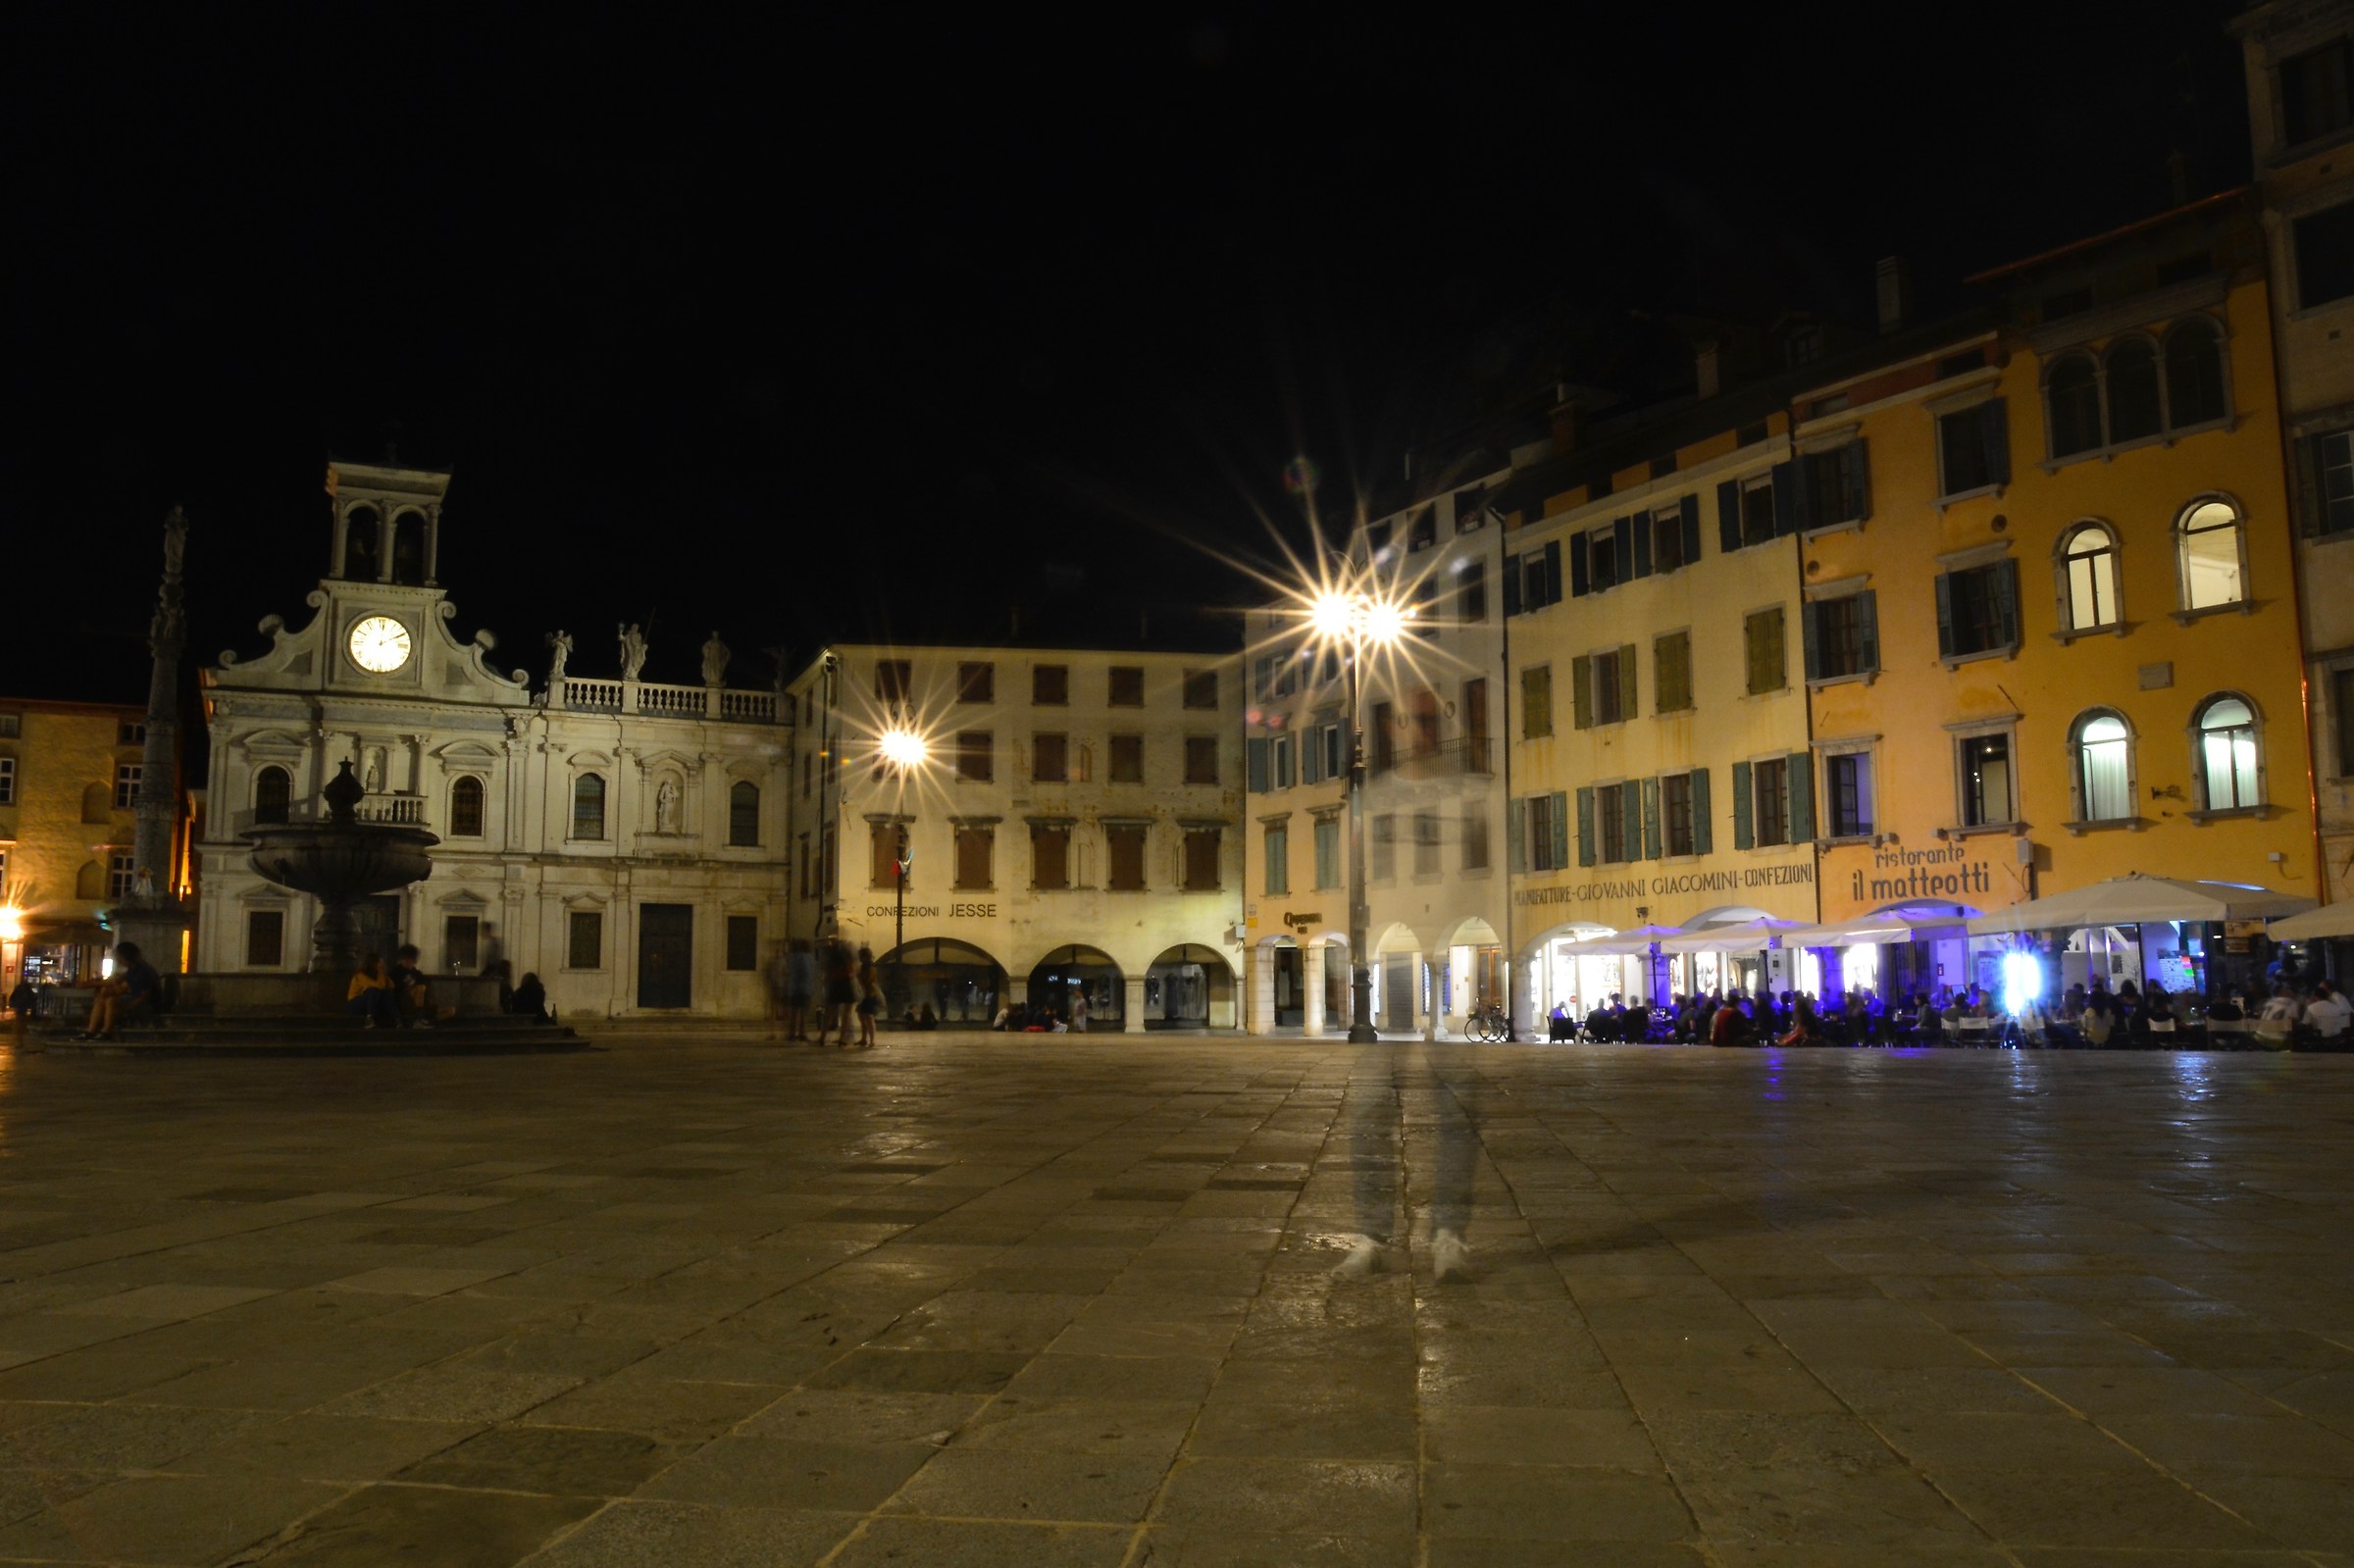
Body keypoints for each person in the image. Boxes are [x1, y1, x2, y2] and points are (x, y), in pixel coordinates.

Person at [78, 942, 160, 1040]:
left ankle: (105, 1031)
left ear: (123, 957)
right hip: (136, 998)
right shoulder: (133, 969)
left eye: (118, 956)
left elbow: (144, 996)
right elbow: (118, 982)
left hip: (147, 1004)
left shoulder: (142, 971)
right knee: (102, 999)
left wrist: (127, 1008)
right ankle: (91, 1031)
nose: (117, 959)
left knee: (110, 1001)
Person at [814, 939, 855, 1046]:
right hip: (846, 985)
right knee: (846, 1014)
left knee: (829, 1013)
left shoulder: (831, 960)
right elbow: (852, 972)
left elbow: (827, 973)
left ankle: (822, 1038)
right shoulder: (847, 957)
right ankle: (842, 1039)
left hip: (835, 985)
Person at [346, 955, 399, 1029]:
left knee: (387, 994)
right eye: (380, 963)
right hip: (356, 1003)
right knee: (373, 991)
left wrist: (384, 975)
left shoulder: (380, 975)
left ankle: (397, 1018)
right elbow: (372, 988)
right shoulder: (360, 975)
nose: (383, 965)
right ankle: (369, 1018)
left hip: (372, 1002)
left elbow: (392, 985)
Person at [389, 943, 434, 1028]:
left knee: (450, 1011)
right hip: (403, 1000)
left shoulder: (417, 974)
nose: (407, 961)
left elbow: (424, 989)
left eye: (410, 959)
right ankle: (418, 1019)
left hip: (417, 1001)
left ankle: (422, 1019)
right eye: (404, 959)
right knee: (420, 988)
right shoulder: (395, 972)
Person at [785, 937, 816, 1041]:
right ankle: (802, 1033)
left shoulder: (792, 957)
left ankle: (792, 1033)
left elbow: (789, 972)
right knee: (803, 1013)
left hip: (794, 988)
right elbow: (809, 973)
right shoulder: (809, 957)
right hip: (805, 988)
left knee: (794, 1012)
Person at [854, 945, 881, 1048]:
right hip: (865, 994)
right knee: (862, 1016)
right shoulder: (864, 967)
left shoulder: (870, 967)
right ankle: (864, 1038)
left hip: (869, 994)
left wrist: (859, 978)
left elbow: (868, 980)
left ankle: (872, 1040)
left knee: (868, 1017)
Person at [8, 973, 36, 1049]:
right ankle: (19, 1041)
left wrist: (12, 1005)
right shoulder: (28, 991)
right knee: (20, 1024)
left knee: (19, 1024)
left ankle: (18, 1041)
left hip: (19, 1008)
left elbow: (12, 998)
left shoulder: (19, 990)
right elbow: (32, 1000)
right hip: (23, 1009)